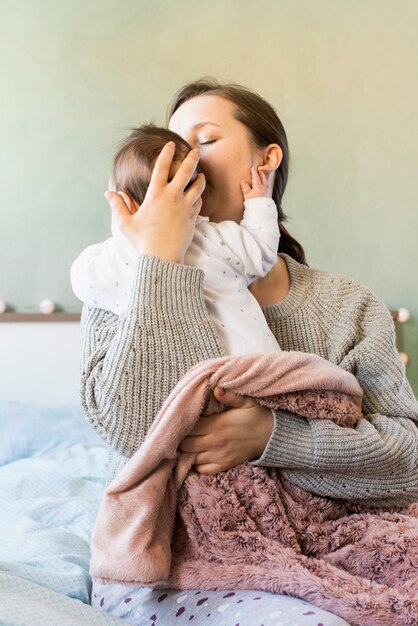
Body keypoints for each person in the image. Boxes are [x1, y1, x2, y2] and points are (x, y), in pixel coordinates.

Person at [80, 78, 418, 626]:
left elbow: (408, 462)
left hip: (340, 534)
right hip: (188, 559)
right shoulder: (118, 284)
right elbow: (131, 429)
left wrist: (275, 437)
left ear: (266, 159)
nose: (182, 158)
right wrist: (161, 263)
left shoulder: (346, 306)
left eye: (204, 140)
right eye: (171, 144)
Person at [71, 124, 281, 356]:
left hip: (185, 381)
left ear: (123, 204)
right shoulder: (217, 239)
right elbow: (262, 251)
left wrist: (121, 234)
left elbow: (81, 280)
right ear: (197, 198)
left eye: (207, 139)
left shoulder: (114, 257)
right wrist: (258, 201)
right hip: (258, 363)